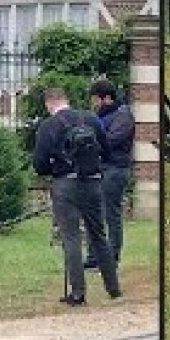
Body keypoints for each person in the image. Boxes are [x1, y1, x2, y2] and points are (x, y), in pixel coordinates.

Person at [33, 87, 121, 305]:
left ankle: (78, 293)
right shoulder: (90, 118)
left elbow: (39, 165)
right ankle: (113, 288)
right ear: (67, 100)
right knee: (99, 235)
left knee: (71, 238)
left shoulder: (48, 126)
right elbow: (107, 151)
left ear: (49, 104)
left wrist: (54, 169)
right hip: (92, 183)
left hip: (65, 185)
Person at [84, 78, 134, 268]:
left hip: (115, 168)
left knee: (110, 213)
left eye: (96, 99)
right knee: (93, 212)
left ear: (106, 98)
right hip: (100, 167)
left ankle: (112, 256)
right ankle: (94, 256)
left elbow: (111, 140)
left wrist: (93, 142)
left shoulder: (123, 115)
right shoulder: (100, 115)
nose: (94, 103)